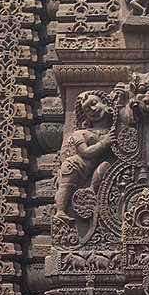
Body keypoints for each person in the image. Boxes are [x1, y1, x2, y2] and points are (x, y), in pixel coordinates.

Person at [54, 91, 114, 220]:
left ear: (104, 103)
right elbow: (85, 153)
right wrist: (105, 143)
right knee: (66, 187)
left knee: (105, 166)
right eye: (87, 110)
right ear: (85, 117)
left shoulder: (112, 131)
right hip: (74, 166)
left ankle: (91, 192)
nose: (93, 110)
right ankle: (60, 212)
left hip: (90, 172)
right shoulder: (81, 133)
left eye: (94, 103)